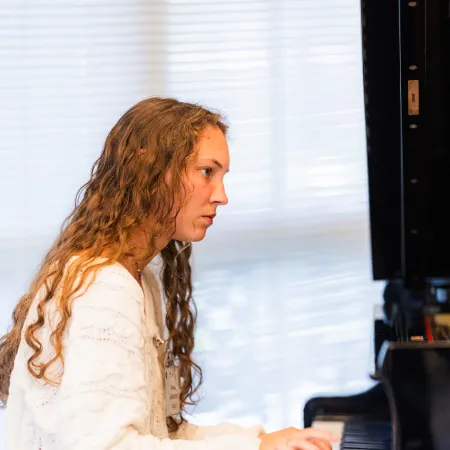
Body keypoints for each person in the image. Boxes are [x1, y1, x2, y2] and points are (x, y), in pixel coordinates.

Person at [0, 97, 336, 450]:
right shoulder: (104, 288)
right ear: (151, 171)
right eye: (208, 172)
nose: (222, 196)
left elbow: (160, 433)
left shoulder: (141, 281)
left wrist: (261, 440)